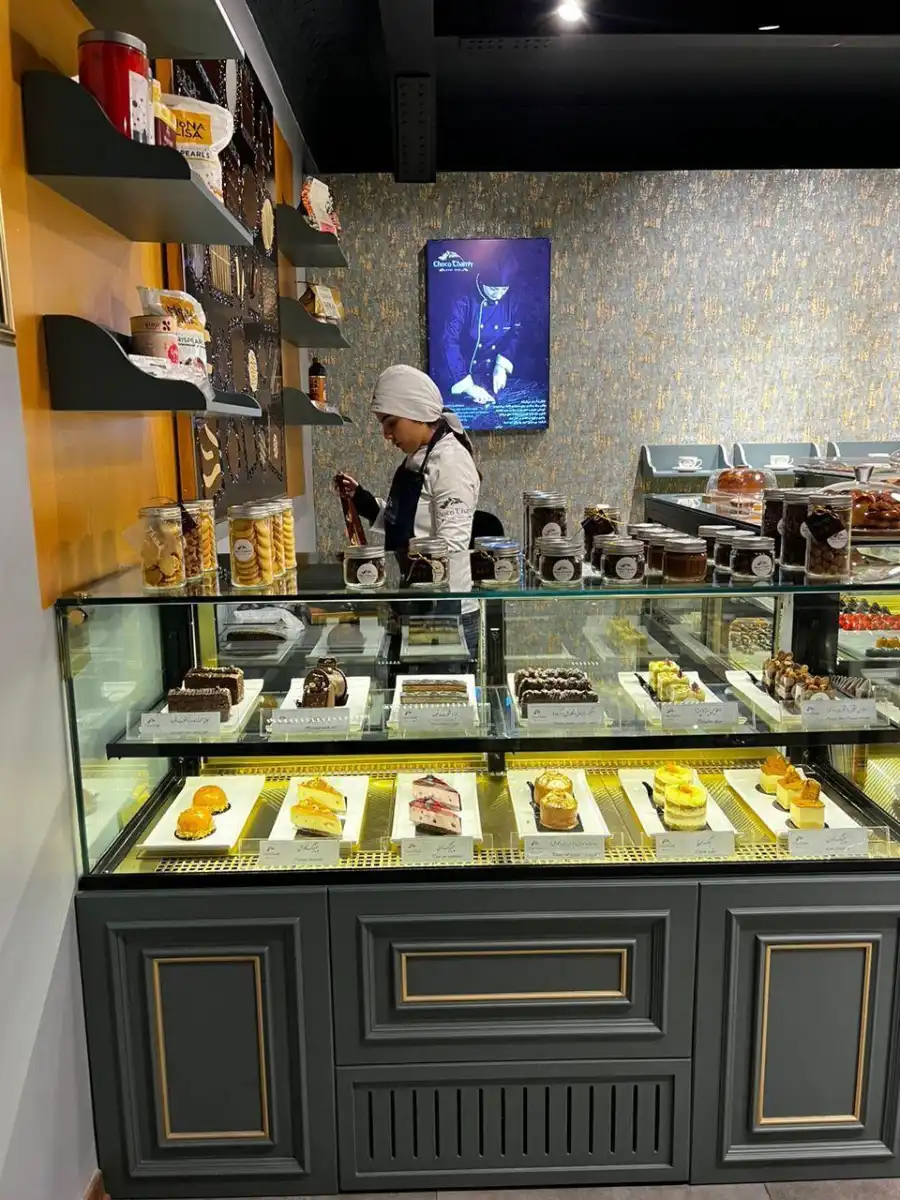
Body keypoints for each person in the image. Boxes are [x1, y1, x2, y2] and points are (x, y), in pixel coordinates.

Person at [334, 364, 481, 654]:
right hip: (418, 601)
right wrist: (363, 501)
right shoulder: (419, 457)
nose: (386, 434)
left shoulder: (450, 462)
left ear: (416, 412)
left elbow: (450, 548)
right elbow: (407, 522)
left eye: (391, 423)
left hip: (444, 610)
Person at [442, 253, 523, 407]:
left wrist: (501, 366)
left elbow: (517, 333)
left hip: (492, 371)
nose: (498, 295)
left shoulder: (512, 299)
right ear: (482, 280)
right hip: (459, 369)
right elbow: (449, 341)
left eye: (503, 289)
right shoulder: (463, 300)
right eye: (493, 289)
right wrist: (467, 385)